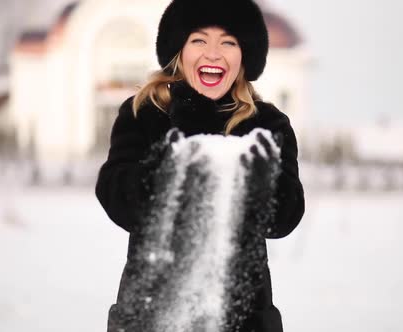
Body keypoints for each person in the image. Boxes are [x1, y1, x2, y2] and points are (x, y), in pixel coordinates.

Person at [95, 0, 305, 331]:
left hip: (242, 320)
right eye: (199, 40)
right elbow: (118, 200)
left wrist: (260, 180)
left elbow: (284, 219)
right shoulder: (145, 114)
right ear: (179, 49)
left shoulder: (267, 125)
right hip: (154, 316)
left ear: (244, 56)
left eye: (228, 42)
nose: (213, 53)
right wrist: (177, 154)